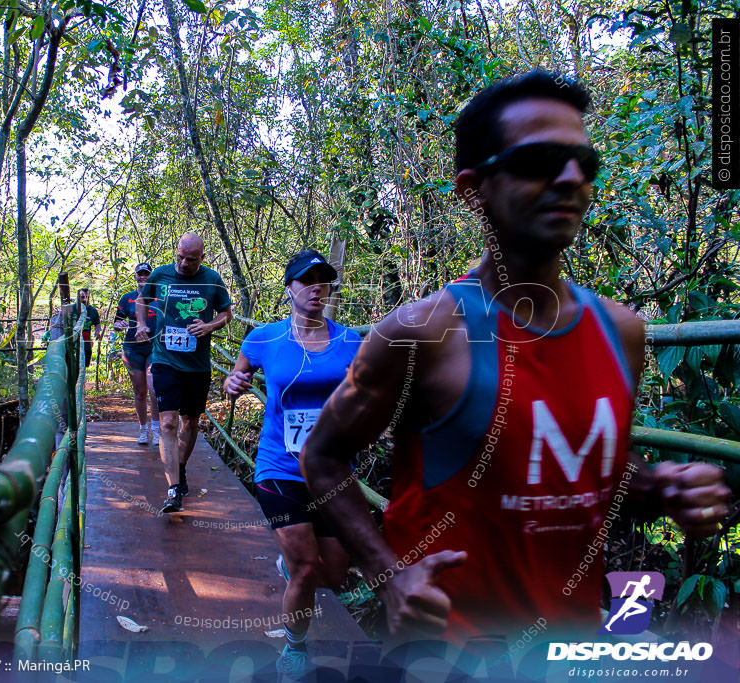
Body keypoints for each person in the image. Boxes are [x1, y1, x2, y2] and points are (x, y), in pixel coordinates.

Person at [300, 71, 730, 647]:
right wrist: (391, 577)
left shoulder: (621, 331)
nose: (572, 178)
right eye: (540, 160)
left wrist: (663, 488)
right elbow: (323, 456)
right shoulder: (422, 333)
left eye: (585, 161)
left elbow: (590, 467)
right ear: (474, 187)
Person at [224, 249, 361, 677]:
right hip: (279, 468)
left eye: (324, 279)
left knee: (334, 575)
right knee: (306, 569)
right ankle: (294, 647)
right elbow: (237, 376)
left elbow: (368, 395)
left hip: (333, 470)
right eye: (308, 280)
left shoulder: (350, 340)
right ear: (290, 289)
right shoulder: (264, 338)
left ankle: (289, 561)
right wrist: (233, 382)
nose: (318, 287)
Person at [135, 233, 232, 513]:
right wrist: (142, 324)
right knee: (167, 423)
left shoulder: (212, 279)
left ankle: (180, 467)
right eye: (180, 256)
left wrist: (209, 326)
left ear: (202, 257)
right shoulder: (161, 275)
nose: (183, 263)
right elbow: (142, 300)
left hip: (197, 365)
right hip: (165, 360)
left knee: (190, 422)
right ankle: (173, 489)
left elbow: (227, 313)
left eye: (190, 259)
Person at [114, 262, 161, 445]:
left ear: (151, 277)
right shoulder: (127, 299)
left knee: (154, 389)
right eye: (140, 274)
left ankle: (156, 430)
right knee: (140, 392)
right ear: (135, 276)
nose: (143, 277)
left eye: (146, 274)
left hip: (154, 348)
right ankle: (143, 430)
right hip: (132, 349)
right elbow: (117, 323)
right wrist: (119, 325)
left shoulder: (159, 297)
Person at [70, 288, 101, 367]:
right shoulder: (71, 309)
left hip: (86, 342)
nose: (85, 300)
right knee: (72, 365)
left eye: (87, 297)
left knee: (84, 366)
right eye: (82, 297)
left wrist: (97, 332)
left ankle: (82, 379)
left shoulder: (92, 310)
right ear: (78, 297)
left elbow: (97, 323)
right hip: (72, 342)